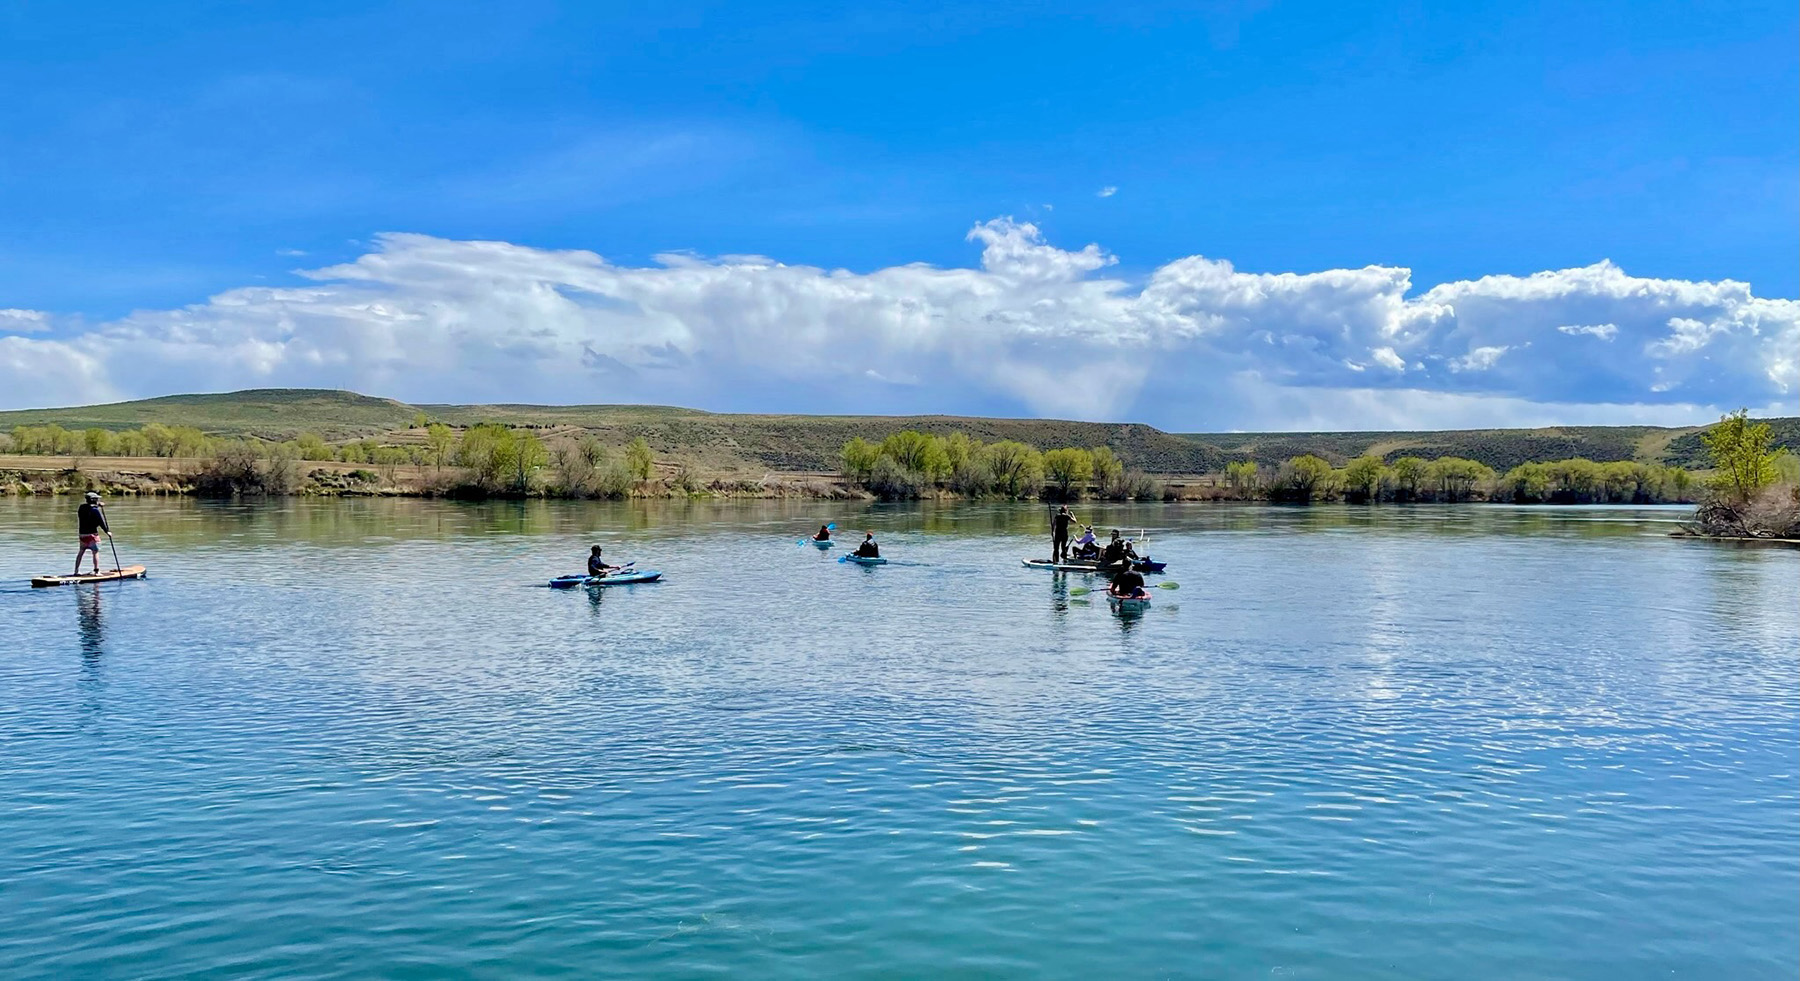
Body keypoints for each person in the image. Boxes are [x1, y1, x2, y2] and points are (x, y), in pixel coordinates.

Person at [73, 491, 109, 576]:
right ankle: (96, 571)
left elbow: (88, 508)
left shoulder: (81, 508)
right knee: (95, 552)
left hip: (82, 535)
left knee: (81, 551)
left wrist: (97, 505)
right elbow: (101, 522)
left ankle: (76, 571)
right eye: (96, 499)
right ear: (94, 500)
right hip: (92, 535)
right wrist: (107, 531)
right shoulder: (95, 511)